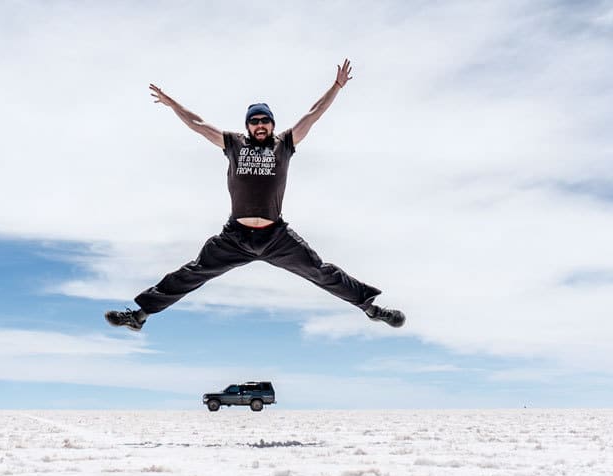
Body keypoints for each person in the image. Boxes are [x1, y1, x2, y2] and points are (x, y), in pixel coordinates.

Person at [105, 59, 404, 331]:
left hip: (276, 236)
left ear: (272, 124)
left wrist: (336, 87)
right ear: (247, 125)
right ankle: (140, 314)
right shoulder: (233, 144)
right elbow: (197, 124)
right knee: (194, 272)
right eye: (254, 121)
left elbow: (313, 114)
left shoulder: (284, 143)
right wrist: (173, 105)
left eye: (265, 121)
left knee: (320, 271)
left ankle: (371, 308)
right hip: (235, 237)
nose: (260, 125)